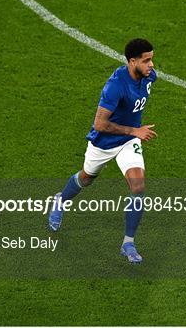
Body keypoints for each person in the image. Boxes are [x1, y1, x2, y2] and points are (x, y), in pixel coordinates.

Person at [48, 38, 157, 264]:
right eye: (146, 61)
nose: (152, 65)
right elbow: (99, 124)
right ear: (132, 61)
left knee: (138, 186)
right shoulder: (115, 86)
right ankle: (60, 200)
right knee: (86, 178)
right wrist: (134, 130)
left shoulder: (149, 78)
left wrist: (131, 134)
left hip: (128, 140)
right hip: (104, 142)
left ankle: (128, 243)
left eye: (152, 59)